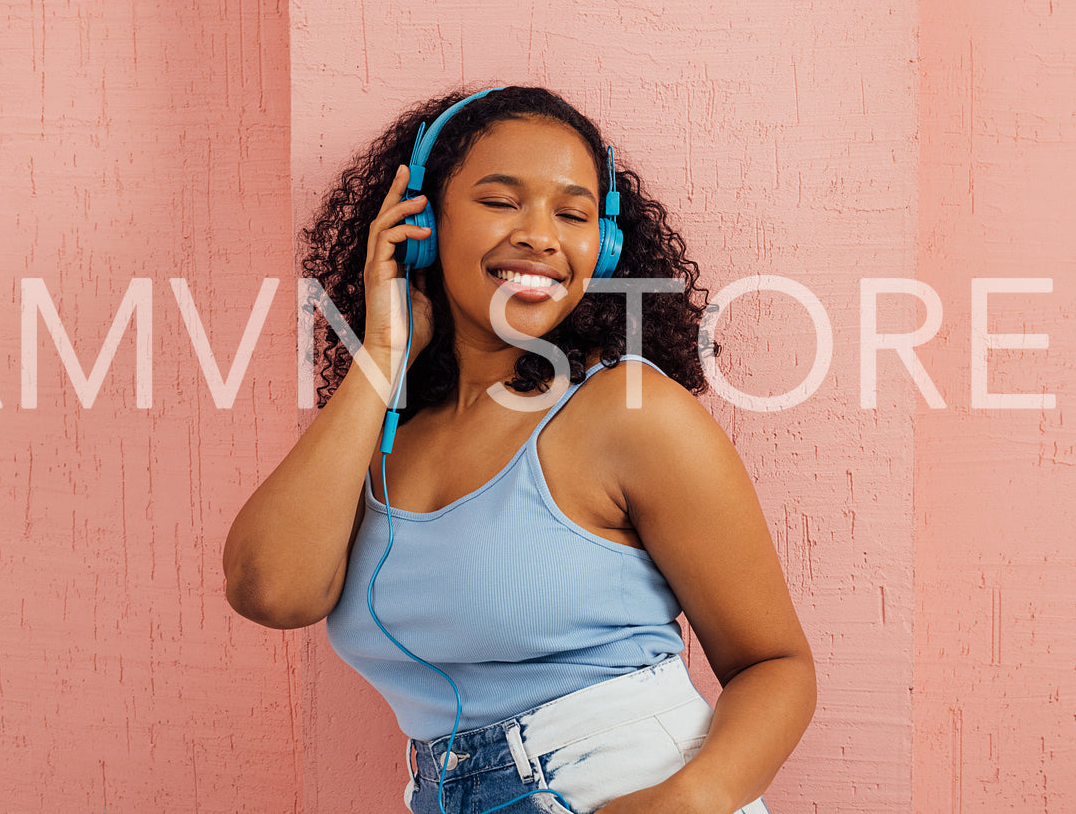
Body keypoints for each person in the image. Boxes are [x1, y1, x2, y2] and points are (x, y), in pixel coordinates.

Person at [223, 85, 815, 814]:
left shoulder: (628, 412)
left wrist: (693, 799)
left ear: (605, 243)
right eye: (501, 201)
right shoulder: (381, 436)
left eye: (571, 213)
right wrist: (380, 351)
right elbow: (269, 590)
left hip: (634, 786)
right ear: (422, 224)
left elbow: (775, 664)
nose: (540, 234)